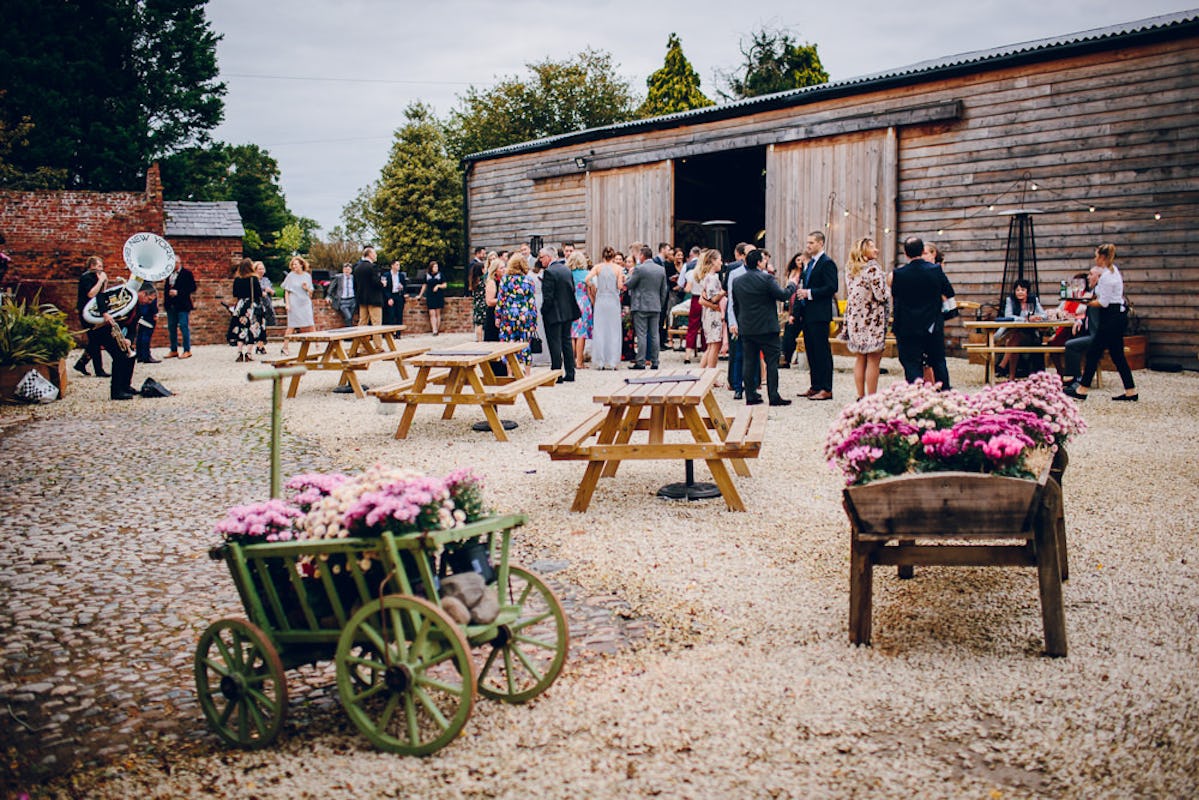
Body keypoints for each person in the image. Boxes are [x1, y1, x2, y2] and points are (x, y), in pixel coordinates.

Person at [1065, 243, 1138, 402]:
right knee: (1117, 355)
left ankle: (1082, 390)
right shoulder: (1114, 271)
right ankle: (1131, 391)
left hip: (1110, 317)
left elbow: (1103, 302)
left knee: (1093, 352)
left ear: (1102, 257)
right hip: (1116, 316)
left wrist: (1084, 303)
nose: (1095, 258)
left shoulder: (1106, 277)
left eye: (1096, 255)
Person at [730, 248, 797, 406]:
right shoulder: (767, 278)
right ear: (760, 262)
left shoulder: (737, 281)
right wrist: (792, 285)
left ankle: (751, 395)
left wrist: (740, 321)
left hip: (747, 327)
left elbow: (736, 304)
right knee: (771, 361)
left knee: (749, 361)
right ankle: (773, 396)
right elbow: (783, 295)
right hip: (767, 327)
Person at [891, 236, 951, 389]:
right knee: (938, 362)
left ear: (905, 253)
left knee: (911, 364)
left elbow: (895, 295)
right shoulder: (936, 270)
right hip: (932, 324)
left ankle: (915, 396)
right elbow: (949, 292)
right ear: (922, 251)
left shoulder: (898, 274)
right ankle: (945, 394)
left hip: (907, 325)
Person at [842, 237, 891, 399]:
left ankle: (860, 395)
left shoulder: (850, 269)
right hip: (871, 319)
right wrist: (889, 286)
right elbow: (881, 295)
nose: (876, 250)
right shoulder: (873, 269)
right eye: (872, 247)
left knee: (860, 358)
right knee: (874, 359)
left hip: (855, 319)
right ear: (863, 251)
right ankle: (871, 398)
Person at [795, 231, 838, 401]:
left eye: (812, 242)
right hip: (808, 314)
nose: (808, 246)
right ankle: (815, 385)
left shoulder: (827, 263)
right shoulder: (810, 264)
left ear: (821, 243)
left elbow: (831, 287)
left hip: (819, 313)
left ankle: (826, 388)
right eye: (807, 242)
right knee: (811, 351)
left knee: (822, 352)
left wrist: (809, 293)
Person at [539, 246, 581, 382]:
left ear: (549, 257)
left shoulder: (549, 272)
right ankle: (570, 372)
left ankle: (556, 373)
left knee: (555, 343)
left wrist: (544, 310)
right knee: (566, 342)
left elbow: (548, 297)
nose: (540, 260)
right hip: (567, 311)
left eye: (541, 257)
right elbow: (571, 289)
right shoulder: (566, 270)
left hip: (553, 313)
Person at [625, 245, 668, 370]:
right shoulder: (660, 269)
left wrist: (626, 278)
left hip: (641, 305)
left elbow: (630, 284)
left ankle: (641, 362)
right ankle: (655, 361)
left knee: (642, 334)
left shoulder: (639, 269)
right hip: (655, 305)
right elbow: (664, 290)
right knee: (655, 334)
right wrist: (660, 303)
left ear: (642, 256)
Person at [995, 278, 1047, 378]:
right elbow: (1009, 316)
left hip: (1030, 334)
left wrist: (1036, 317)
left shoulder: (1033, 300)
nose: (1020, 292)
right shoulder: (1010, 300)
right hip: (1013, 332)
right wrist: (1024, 319)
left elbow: (1044, 315)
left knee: (1015, 339)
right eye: (1017, 290)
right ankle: (1009, 373)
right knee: (1016, 338)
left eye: (1022, 290)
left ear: (1027, 291)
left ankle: (1005, 368)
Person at [586, 246, 625, 370]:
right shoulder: (618, 268)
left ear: (603, 256)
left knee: (600, 329)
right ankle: (613, 362)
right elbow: (619, 286)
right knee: (614, 330)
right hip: (613, 301)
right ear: (613, 257)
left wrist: (593, 287)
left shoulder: (597, 267)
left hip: (601, 300)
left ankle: (600, 361)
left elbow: (587, 279)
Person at [723, 243, 753, 399]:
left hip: (755, 320)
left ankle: (752, 385)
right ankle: (737, 386)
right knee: (738, 353)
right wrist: (732, 321)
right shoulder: (735, 273)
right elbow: (731, 299)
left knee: (753, 354)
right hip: (739, 316)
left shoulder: (761, 273)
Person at [496, 254, 537, 363]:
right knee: (525, 344)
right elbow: (532, 302)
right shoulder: (528, 280)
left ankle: (510, 373)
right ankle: (527, 374)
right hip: (525, 316)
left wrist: (497, 317)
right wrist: (534, 320)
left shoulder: (505, 280)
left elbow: (501, 300)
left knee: (509, 345)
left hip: (508, 316)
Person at [74, 255, 109, 377]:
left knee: (96, 340)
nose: (101, 269)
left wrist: (104, 282)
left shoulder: (95, 277)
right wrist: (100, 280)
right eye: (99, 266)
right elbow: (91, 294)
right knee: (95, 340)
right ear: (92, 266)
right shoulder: (86, 277)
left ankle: (81, 364)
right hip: (86, 313)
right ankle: (98, 370)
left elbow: (101, 294)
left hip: (93, 312)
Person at [695, 249, 726, 370]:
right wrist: (724, 292)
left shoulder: (706, 277)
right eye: (719, 260)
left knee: (710, 345)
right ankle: (710, 374)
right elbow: (713, 298)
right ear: (713, 261)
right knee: (715, 345)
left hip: (709, 313)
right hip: (714, 314)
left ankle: (701, 372)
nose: (721, 263)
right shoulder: (712, 278)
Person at [230, 257, 265, 362]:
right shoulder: (253, 279)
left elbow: (235, 294)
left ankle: (240, 352)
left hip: (240, 305)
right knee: (252, 328)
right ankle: (249, 353)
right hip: (251, 306)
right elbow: (258, 293)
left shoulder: (237, 279)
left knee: (240, 328)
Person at [163, 255, 196, 359]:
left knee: (183, 326)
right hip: (171, 305)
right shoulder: (169, 275)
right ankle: (173, 349)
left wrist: (178, 292)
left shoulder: (186, 274)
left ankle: (187, 350)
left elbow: (192, 288)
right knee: (171, 327)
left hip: (182, 305)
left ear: (178, 263)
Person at [281, 255, 315, 351]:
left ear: (301, 265)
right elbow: (287, 291)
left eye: (296, 264)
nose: (294, 266)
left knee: (311, 324)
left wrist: (306, 288)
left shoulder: (307, 276)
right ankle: (285, 347)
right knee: (291, 325)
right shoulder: (290, 276)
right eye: (293, 265)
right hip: (294, 303)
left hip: (305, 303)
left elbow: (311, 292)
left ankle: (317, 345)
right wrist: (287, 304)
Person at [779, 251, 805, 369]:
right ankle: (786, 358)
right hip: (791, 301)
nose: (800, 262)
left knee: (792, 331)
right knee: (788, 332)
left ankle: (789, 358)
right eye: (798, 260)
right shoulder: (791, 273)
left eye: (802, 260)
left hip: (800, 304)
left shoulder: (804, 274)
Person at [569, 251, 594, 369]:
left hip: (571, 303)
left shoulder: (568, 274)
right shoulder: (586, 274)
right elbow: (591, 290)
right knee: (581, 334)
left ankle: (571, 361)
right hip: (583, 302)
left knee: (572, 333)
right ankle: (579, 362)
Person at [352, 247, 384, 327]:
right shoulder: (373, 267)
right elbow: (375, 283)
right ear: (369, 254)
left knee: (362, 322)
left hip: (362, 299)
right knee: (376, 323)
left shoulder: (356, 268)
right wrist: (382, 284)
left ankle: (360, 340)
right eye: (374, 253)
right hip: (374, 299)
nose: (376, 255)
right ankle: (377, 340)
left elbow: (355, 285)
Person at [130, 282, 160, 363]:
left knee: (141, 334)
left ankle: (140, 355)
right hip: (148, 313)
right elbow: (151, 301)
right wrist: (155, 312)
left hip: (142, 312)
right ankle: (146, 355)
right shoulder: (147, 288)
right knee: (146, 334)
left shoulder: (140, 283)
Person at [417, 260, 446, 335]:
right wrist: (420, 295)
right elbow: (424, 285)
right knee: (432, 313)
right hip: (430, 295)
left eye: (437, 267)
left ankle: (437, 328)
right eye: (435, 267)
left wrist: (438, 286)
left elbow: (445, 285)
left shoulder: (440, 275)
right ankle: (434, 330)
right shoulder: (427, 275)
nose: (436, 268)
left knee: (438, 313)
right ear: (431, 268)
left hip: (438, 295)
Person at [254, 261, 274, 355]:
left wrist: (270, 291)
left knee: (263, 326)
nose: (261, 271)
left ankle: (260, 345)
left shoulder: (266, 280)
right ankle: (260, 345)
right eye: (259, 269)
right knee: (258, 325)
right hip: (256, 305)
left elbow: (273, 292)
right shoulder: (254, 280)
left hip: (266, 305)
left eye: (262, 269)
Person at [468, 246, 487, 341]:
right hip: (482, 303)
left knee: (478, 323)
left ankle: (478, 339)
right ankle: (480, 339)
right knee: (481, 323)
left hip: (477, 303)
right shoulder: (482, 281)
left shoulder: (474, 281)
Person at [383, 260, 407, 328]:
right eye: (397, 265)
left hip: (399, 295)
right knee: (391, 315)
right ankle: (391, 332)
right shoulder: (386, 275)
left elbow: (405, 286)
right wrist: (389, 298)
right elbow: (384, 288)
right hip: (390, 295)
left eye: (399, 265)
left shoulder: (401, 275)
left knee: (399, 314)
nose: (398, 266)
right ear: (392, 266)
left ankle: (398, 333)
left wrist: (402, 287)